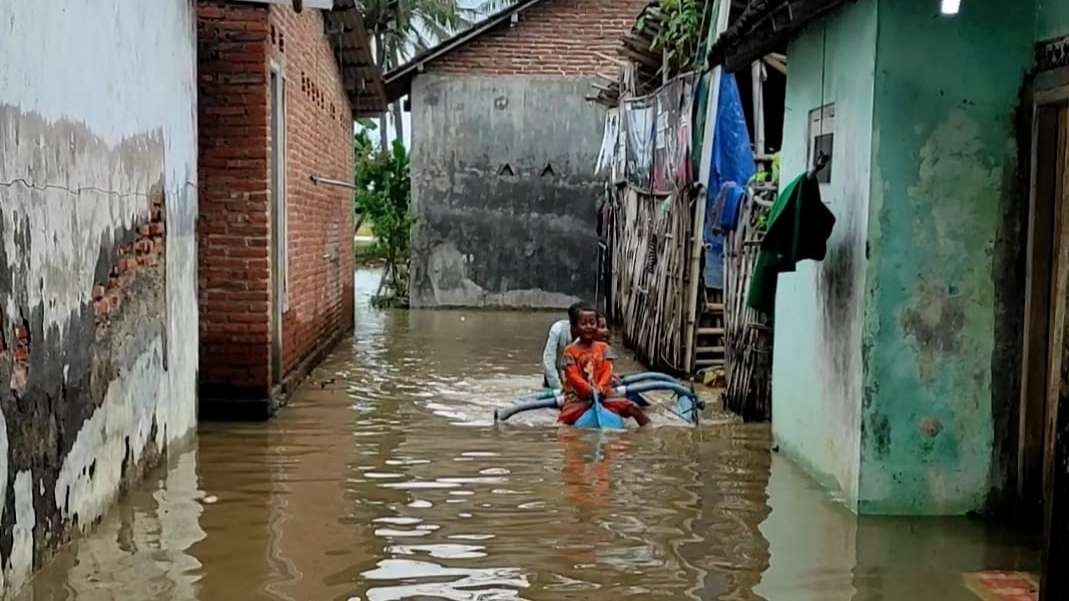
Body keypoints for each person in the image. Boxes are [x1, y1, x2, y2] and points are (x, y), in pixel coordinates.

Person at [558, 304, 650, 427]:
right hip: (578, 398)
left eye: (592, 323)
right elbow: (572, 375)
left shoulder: (604, 348)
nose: (588, 326)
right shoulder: (569, 351)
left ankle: (649, 429)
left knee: (633, 408)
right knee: (562, 422)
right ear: (574, 327)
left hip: (604, 394)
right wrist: (589, 390)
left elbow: (608, 370)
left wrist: (600, 388)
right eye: (583, 323)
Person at [542, 301, 584, 390]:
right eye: (584, 323)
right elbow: (548, 359)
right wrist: (558, 387)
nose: (588, 326)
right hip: (555, 372)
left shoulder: (588, 334)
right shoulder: (558, 329)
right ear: (573, 323)